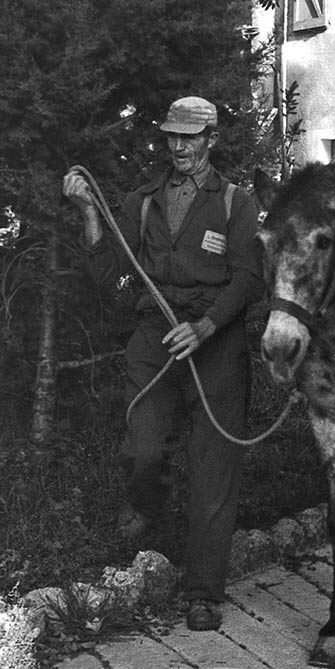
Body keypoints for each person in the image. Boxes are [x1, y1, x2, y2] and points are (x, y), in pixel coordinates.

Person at [62, 96, 264, 631]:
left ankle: (203, 592)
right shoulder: (143, 201)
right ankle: (152, 509)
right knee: (143, 448)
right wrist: (89, 214)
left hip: (215, 340)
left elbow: (249, 278)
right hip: (155, 335)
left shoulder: (235, 203)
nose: (178, 146)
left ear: (211, 139)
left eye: (189, 137)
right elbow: (110, 275)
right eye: (172, 136)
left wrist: (207, 327)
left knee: (213, 467)